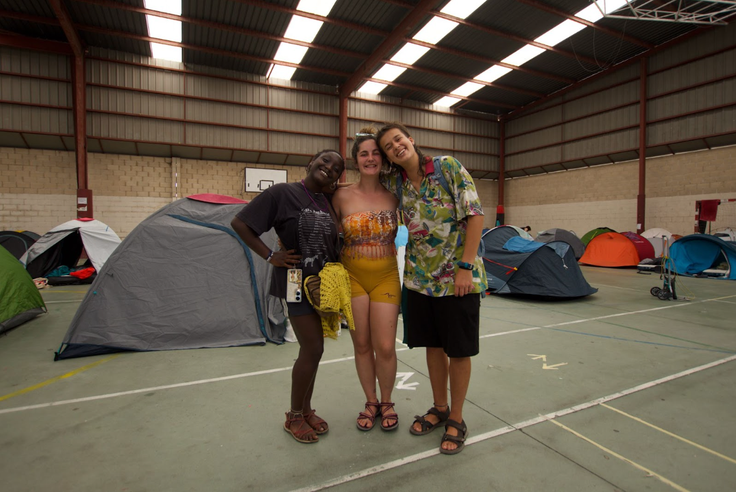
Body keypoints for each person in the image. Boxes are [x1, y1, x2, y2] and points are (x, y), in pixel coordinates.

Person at [376, 122, 487, 455]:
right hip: (420, 282)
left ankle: (457, 416)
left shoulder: (447, 167)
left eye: (398, 139)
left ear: (410, 140)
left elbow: (475, 214)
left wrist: (466, 268)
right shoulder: (396, 183)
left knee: (459, 350)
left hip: (458, 280)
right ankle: (439, 407)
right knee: (434, 347)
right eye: (388, 147)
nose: (396, 146)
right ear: (388, 158)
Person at [231, 149, 346, 444]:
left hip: (324, 285)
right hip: (295, 281)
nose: (329, 168)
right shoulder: (282, 193)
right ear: (311, 162)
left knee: (315, 350)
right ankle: (294, 415)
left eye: (336, 168)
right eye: (325, 161)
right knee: (312, 348)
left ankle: (306, 410)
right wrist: (270, 255)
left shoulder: (330, 201)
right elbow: (240, 223)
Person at [332, 128, 401, 432]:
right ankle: (371, 401)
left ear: (383, 159)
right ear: (355, 160)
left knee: (385, 346)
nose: (370, 158)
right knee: (361, 344)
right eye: (364, 153)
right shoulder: (341, 194)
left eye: (375, 153)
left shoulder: (396, 196)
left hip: (386, 276)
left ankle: (387, 401)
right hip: (352, 278)